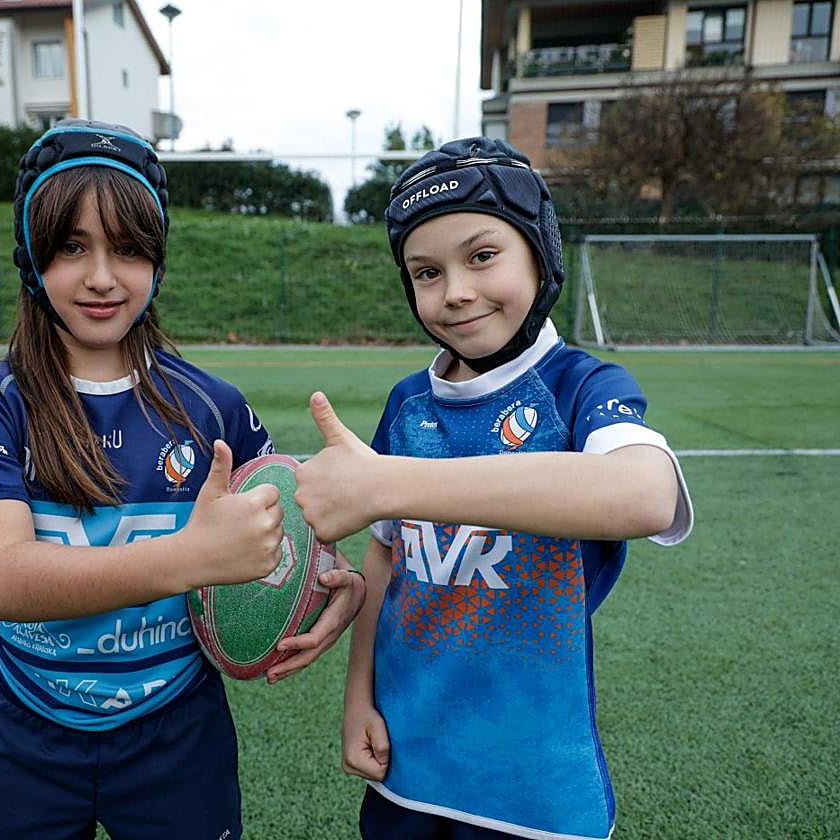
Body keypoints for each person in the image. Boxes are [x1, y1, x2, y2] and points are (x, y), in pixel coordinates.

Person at [0, 118, 364, 840]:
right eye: (72, 247)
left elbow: (287, 529)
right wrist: (190, 557)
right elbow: (4, 581)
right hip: (27, 730)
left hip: (178, 731)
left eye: (129, 249)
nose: (102, 277)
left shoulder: (213, 406)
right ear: (31, 256)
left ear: (158, 261)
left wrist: (334, 582)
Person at [294, 137, 694, 840]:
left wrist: (390, 481)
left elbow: (646, 493)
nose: (455, 291)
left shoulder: (580, 386)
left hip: (535, 786)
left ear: (541, 253)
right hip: (408, 767)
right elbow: (384, 559)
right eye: (426, 272)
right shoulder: (407, 404)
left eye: (482, 256)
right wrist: (358, 699)